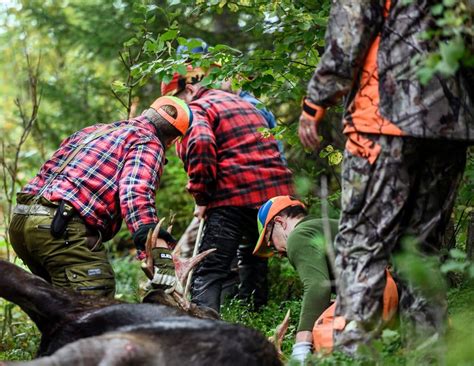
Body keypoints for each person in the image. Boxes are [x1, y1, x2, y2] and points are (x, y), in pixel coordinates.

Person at [298, 0, 474, 355]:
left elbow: (351, 23)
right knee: (421, 251)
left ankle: (353, 356)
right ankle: (431, 358)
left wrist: (315, 102)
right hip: (452, 124)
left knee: (362, 244)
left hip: (383, 118)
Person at [9, 96, 193, 298]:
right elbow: (135, 192)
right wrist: (159, 255)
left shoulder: (94, 131)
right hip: (59, 227)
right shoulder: (148, 141)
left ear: (146, 114)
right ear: (173, 140)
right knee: (95, 301)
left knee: (60, 310)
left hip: (22, 221)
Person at [161, 67, 294, 313]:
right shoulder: (241, 102)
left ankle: (203, 326)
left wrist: (201, 196)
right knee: (255, 258)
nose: (177, 112)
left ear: (189, 90)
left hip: (234, 194)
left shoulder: (198, 109)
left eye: (177, 101)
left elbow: (201, 143)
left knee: (210, 267)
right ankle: (254, 317)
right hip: (273, 197)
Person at [253, 195, 338, 362]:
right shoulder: (321, 225)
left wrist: (301, 348)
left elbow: (317, 286)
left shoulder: (297, 236)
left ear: (279, 222)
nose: (277, 253)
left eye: (270, 242)